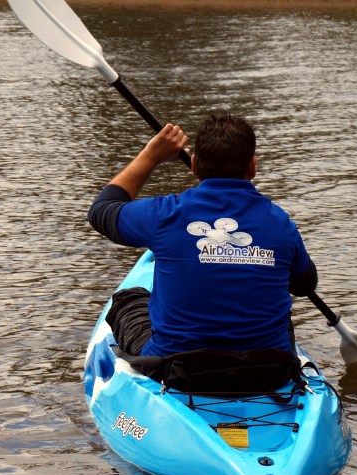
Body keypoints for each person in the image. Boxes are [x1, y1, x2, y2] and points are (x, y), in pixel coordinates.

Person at [87, 113, 318, 386]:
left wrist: (151, 155)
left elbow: (101, 210)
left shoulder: (164, 214)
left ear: (194, 166)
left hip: (180, 369)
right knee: (281, 313)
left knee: (128, 299)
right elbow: (304, 284)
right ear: (253, 167)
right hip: (267, 370)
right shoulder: (280, 223)